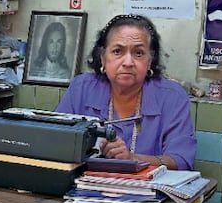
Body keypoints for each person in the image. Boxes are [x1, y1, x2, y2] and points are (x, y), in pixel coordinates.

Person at [57, 14, 196, 169]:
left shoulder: (173, 97)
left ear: (150, 61)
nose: (128, 62)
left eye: (139, 53)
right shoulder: (81, 88)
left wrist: (132, 158)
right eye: (117, 51)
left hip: (148, 191)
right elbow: (56, 142)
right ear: (102, 58)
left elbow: (181, 161)